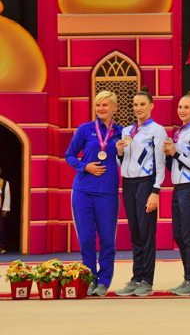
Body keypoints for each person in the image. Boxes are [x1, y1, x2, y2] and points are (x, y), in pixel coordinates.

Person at [65, 90, 123, 296]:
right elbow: (69, 155)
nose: (100, 109)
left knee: (107, 239)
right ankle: (89, 279)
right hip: (83, 191)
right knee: (87, 239)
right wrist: (84, 167)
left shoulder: (121, 133)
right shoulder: (84, 129)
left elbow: (126, 161)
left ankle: (104, 281)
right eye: (98, 105)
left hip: (108, 193)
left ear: (114, 107)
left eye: (105, 105)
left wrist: (123, 152)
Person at [114, 86, 167, 297]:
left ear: (151, 106)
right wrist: (119, 153)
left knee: (147, 234)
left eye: (142, 104)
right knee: (135, 233)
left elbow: (160, 164)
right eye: (135, 105)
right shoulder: (127, 131)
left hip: (147, 184)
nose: (138, 108)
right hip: (128, 184)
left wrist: (156, 190)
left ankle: (147, 280)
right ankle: (136, 278)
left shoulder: (157, 130)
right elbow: (123, 162)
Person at [164, 91, 190, 296]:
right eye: (180, 107)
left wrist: (176, 153)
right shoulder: (179, 132)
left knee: (189, 235)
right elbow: (177, 165)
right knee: (179, 235)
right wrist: (168, 157)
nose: (182, 110)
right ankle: (188, 277)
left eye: (186, 107)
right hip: (178, 187)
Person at [0, 165, 10, 254]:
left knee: (1, 229)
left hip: (0, 208)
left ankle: (1, 247)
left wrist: (5, 209)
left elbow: (7, 196)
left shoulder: (4, 183)